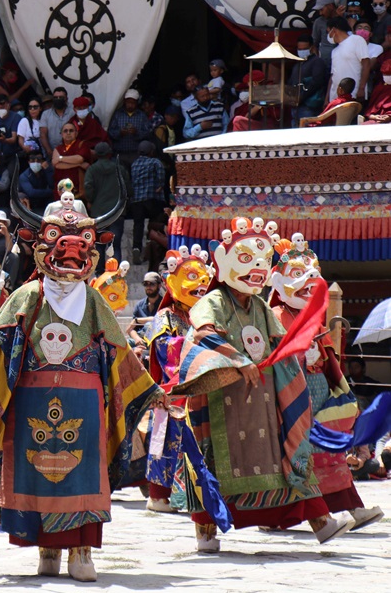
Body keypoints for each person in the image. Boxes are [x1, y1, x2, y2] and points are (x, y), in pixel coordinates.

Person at [0, 194, 161, 582]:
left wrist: (150, 390)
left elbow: (120, 352)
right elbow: (3, 336)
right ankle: (47, 550)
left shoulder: (93, 299)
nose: (69, 254)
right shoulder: (27, 295)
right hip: (31, 397)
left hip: (83, 402)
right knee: (35, 472)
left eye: (81, 244)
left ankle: (81, 551)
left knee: (82, 473)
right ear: (39, 246)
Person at [173, 217, 354, 552]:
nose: (257, 267)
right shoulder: (214, 300)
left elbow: (279, 341)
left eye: (263, 261)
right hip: (222, 400)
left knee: (289, 454)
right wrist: (239, 361)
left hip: (264, 401)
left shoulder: (260, 305)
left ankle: (321, 522)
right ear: (223, 262)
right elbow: (203, 332)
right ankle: (206, 532)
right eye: (246, 260)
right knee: (211, 462)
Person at [270, 234, 384, 530]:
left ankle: (352, 508)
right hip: (290, 398)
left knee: (330, 454)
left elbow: (330, 361)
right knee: (299, 458)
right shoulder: (275, 317)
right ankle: (308, 517)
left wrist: (343, 394)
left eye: (312, 272)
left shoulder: (316, 321)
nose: (309, 278)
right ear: (279, 283)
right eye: (297, 274)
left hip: (319, 397)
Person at [143, 249, 211, 512]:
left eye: (203, 278)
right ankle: (158, 496)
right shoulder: (166, 316)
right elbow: (163, 347)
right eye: (192, 276)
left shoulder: (201, 315)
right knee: (166, 442)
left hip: (200, 384)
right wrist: (195, 344)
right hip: (173, 387)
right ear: (172, 283)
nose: (200, 284)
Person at [85, 142, 132, 267]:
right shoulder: (120, 169)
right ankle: (115, 272)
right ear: (109, 153)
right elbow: (128, 189)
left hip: (98, 213)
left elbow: (88, 187)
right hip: (117, 212)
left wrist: (91, 200)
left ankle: (99, 272)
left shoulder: (92, 169)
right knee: (115, 244)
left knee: (99, 244)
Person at [129, 141, 166, 264]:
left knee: (138, 225)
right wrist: (160, 186)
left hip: (137, 200)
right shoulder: (155, 162)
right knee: (154, 223)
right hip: (153, 198)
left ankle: (136, 248)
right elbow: (161, 178)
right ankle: (151, 245)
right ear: (151, 151)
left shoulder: (134, 164)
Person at [326, 16, 371, 102]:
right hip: (335, 99)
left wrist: (361, 88)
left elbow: (366, 64)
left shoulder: (357, 40)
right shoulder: (335, 51)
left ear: (334, 30)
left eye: (328, 32)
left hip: (353, 95)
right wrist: (327, 99)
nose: (328, 36)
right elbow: (333, 76)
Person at [291, 34, 329, 127]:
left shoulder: (317, 62)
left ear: (311, 48)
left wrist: (302, 96)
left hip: (309, 106)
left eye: (304, 49)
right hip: (296, 107)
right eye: (299, 49)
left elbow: (317, 82)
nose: (301, 51)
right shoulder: (298, 64)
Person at [108, 89, 150, 164]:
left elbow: (147, 133)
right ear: (124, 102)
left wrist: (136, 133)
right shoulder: (118, 114)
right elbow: (110, 132)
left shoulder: (142, 116)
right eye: (128, 102)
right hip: (120, 153)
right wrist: (120, 133)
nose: (130, 105)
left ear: (137, 103)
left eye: (133, 103)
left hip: (136, 154)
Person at [53, 123, 92, 200]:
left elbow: (79, 159)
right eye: (65, 131)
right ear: (61, 134)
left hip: (78, 188)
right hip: (61, 188)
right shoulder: (58, 148)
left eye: (71, 130)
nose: (68, 133)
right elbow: (57, 165)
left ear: (76, 133)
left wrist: (60, 158)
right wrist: (79, 165)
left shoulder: (81, 145)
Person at [39, 86, 74, 158]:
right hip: (52, 152)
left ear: (66, 99)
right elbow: (43, 134)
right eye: (56, 97)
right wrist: (49, 152)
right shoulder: (46, 114)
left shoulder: (73, 112)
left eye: (61, 97)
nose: (58, 99)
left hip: (71, 152)